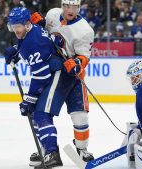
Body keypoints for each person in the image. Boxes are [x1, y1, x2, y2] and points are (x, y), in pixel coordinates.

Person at [4, 7, 71, 169]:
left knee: (40, 112)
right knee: (35, 112)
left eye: (17, 26)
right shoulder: (29, 31)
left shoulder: (33, 42)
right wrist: (16, 51)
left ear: (27, 24)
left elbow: (41, 76)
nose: (15, 30)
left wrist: (29, 98)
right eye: (13, 27)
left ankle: (52, 153)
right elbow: (26, 45)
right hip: (53, 71)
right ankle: (45, 149)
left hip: (58, 74)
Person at [30, 0, 95, 164]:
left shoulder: (84, 30)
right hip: (55, 73)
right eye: (66, 6)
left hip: (74, 77)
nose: (70, 10)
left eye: (73, 7)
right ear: (62, 6)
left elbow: (84, 56)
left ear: (79, 8)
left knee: (80, 116)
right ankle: (47, 149)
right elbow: (46, 36)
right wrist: (41, 25)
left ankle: (82, 149)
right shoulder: (52, 14)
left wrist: (77, 63)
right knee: (42, 111)